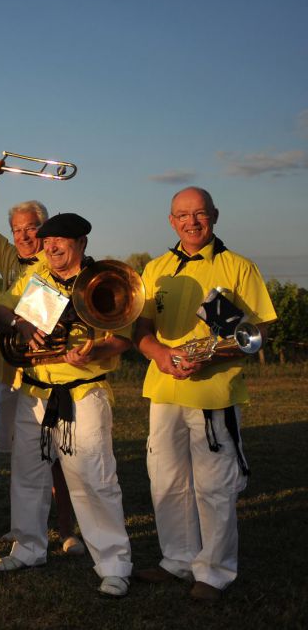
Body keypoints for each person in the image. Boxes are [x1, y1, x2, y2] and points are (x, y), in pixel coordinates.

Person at [133, 187, 276, 601]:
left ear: (214, 215)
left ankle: (213, 572)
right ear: (171, 220)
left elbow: (261, 329)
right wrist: (158, 353)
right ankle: (177, 560)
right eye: (182, 215)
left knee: (214, 486)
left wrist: (213, 357)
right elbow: (140, 328)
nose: (191, 222)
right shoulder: (156, 269)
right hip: (164, 389)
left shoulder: (238, 267)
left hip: (215, 391)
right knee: (166, 480)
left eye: (199, 214)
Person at [0, 212, 133, 598]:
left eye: (60, 242)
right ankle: (29, 548)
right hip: (34, 394)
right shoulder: (37, 278)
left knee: (94, 480)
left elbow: (121, 339)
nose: (50, 248)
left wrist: (95, 349)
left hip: (83, 393)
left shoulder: (104, 280)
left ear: (81, 243)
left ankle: (114, 563)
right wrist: (17, 323)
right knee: (27, 477)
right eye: (47, 241)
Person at [0, 160, 83, 556]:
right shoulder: (10, 258)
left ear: (46, 230)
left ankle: (69, 529)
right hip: (11, 374)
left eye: (30, 228)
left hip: (49, 375)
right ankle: (25, 529)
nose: (21, 236)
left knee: (56, 460)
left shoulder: (54, 260)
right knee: (24, 460)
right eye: (17, 229)